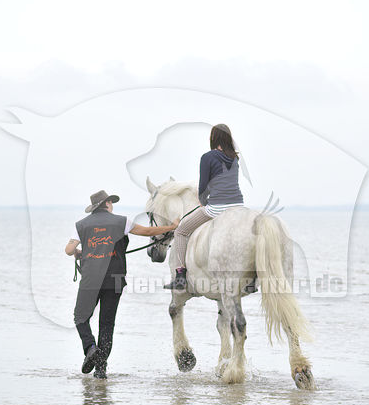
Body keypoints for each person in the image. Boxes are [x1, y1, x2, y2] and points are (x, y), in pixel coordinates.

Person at [65, 189, 179, 378]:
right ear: (107, 204)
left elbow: (69, 250)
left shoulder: (81, 225)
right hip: (114, 279)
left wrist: (79, 252)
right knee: (107, 324)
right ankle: (101, 370)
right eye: (111, 203)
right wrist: (171, 227)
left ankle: (90, 348)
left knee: (80, 317)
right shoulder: (121, 221)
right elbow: (148, 231)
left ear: (94, 208)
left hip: (90, 280)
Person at [165, 123, 251, 291]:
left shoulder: (208, 157)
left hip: (217, 207)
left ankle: (180, 275)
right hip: (238, 206)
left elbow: (204, 186)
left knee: (181, 231)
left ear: (213, 138)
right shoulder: (235, 157)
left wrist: (203, 202)